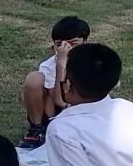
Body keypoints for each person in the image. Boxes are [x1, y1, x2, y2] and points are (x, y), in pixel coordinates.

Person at [20, 15, 90, 149]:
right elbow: (59, 101)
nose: (66, 49)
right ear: (53, 47)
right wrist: (61, 65)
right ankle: (37, 128)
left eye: (73, 44)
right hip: (59, 107)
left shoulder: (91, 62)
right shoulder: (49, 66)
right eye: (60, 45)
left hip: (83, 109)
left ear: (85, 42)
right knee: (34, 78)